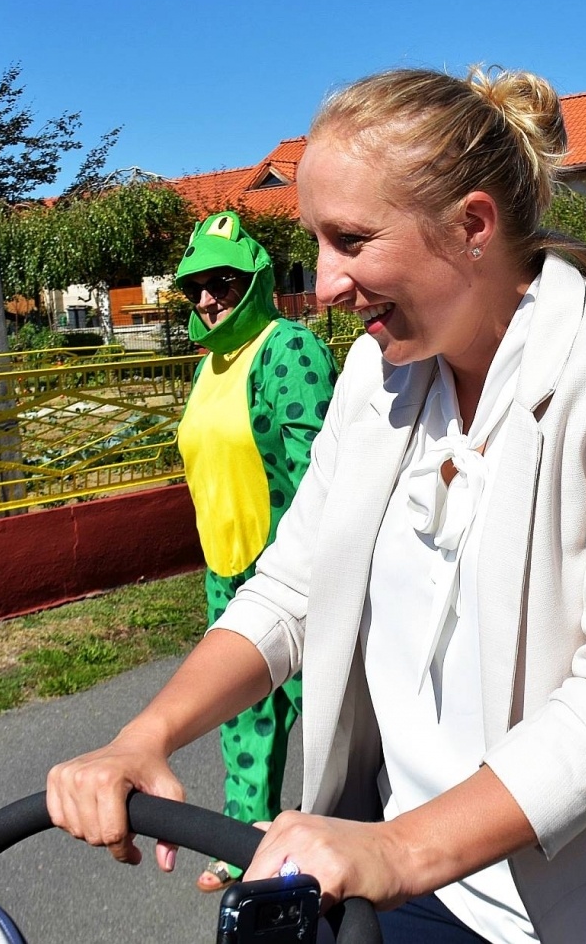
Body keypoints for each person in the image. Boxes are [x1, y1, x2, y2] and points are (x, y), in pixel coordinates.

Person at [48, 66, 586, 941]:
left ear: (473, 226)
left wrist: (399, 852)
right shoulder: (378, 375)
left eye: (351, 240)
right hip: (414, 885)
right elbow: (294, 586)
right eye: (318, 242)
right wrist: (146, 734)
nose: (327, 283)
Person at [172, 211, 338, 891]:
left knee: (331, 707)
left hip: (295, 568)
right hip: (226, 563)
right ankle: (245, 838)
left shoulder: (287, 347)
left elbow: (321, 470)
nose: (209, 299)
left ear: (257, 280)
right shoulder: (211, 363)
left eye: (225, 282)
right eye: (197, 287)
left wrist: (312, 568)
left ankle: (345, 837)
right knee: (244, 708)